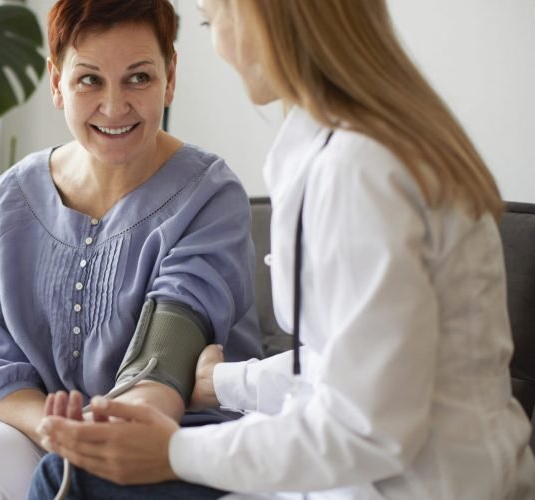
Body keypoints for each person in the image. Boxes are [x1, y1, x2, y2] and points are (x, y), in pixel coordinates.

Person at [30, 0, 535, 498]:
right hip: (379, 476)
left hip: (398, 486)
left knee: (69, 479)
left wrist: (172, 452)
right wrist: (224, 383)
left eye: (213, 20)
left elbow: (367, 429)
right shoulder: (360, 146)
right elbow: (349, 366)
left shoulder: (358, 171)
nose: (220, 45)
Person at [0, 1, 264, 499]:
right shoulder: (15, 196)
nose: (114, 106)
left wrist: (107, 436)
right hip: (51, 433)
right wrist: (56, 429)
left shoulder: (209, 193)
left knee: (78, 481)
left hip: (177, 437)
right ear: (57, 82)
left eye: (138, 78)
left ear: (169, 78)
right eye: (90, 80)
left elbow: (171, 343)